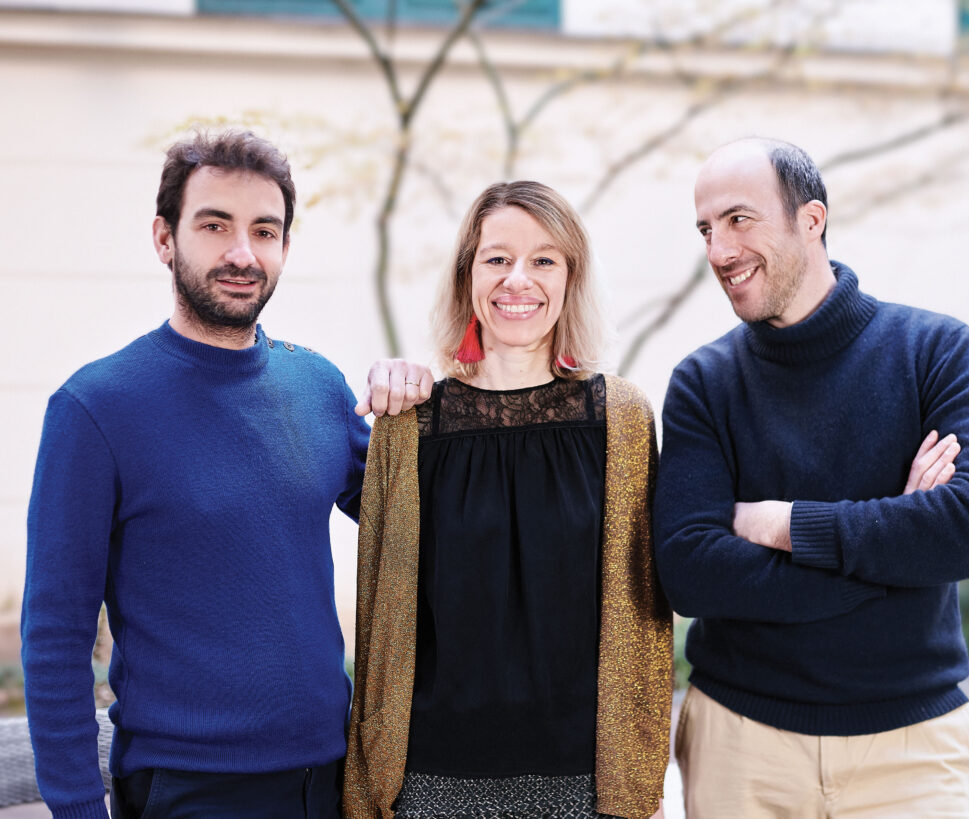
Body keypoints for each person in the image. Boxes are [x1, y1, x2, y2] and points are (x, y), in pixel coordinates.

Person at [21, 130, 427, 819]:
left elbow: (422, 511)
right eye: (215, 226)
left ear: (285, 248)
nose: (243, 253)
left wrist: (422, 402)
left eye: (264, 231)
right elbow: (55, 632)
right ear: (164, 238)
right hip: (189, 789)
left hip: (331, 779)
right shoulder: (96, 408)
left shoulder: (318, 385)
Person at [654, 136, 969, 817]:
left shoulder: (934, 350)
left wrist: (784, 522)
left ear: (811, 219)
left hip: (912, 750)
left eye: (738, 219)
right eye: (705, 229)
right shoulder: (704, 382)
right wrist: (893, 550)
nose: (718, 252)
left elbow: (965, 532)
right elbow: (692, 573)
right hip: (741, 744)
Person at [343, 181, 674, 819]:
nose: (518, 279)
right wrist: (368, 792)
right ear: (468, 273)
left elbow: (644, 612)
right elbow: (381, 617)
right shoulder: (410, 425)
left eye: (544, 259)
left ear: (570, 277)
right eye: (497, 258)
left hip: (586, 781)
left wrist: (639, 790)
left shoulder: (622, 418)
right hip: (433, 778)